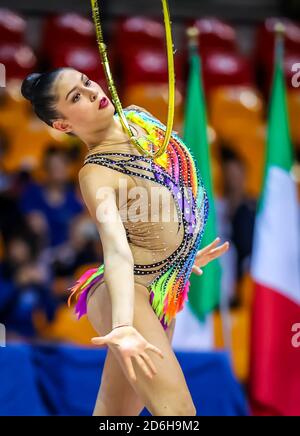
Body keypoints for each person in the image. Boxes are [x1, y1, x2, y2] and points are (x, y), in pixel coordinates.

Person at [21, 67, 229, 416]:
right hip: (127, 294)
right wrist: (123, 326)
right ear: (63, 125)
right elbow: (117, 249)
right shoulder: (96, 173)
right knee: (178, 415)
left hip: (162, 290)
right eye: (75, 97)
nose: (91, 93)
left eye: (86, 82)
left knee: (114, 415)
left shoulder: (139, 119)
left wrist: (179, 256)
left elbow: (170, 187)